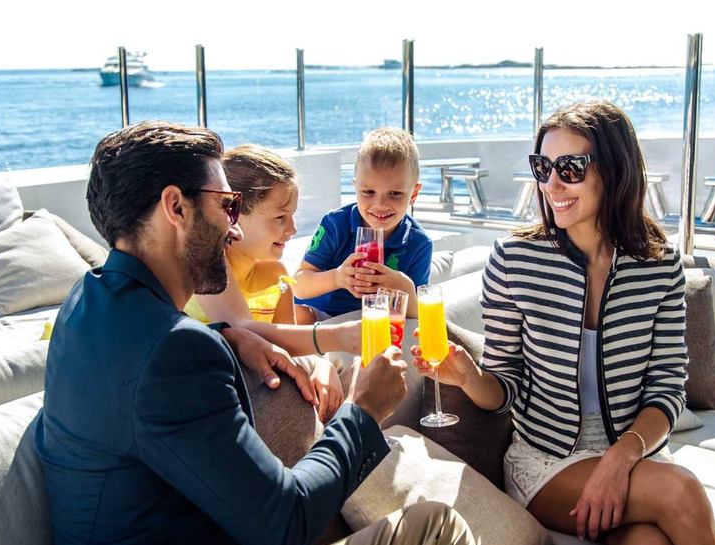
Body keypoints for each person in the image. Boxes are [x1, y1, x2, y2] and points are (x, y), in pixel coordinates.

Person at [35, 120, 474, 545]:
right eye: (227, 205)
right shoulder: (176, 352)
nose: (237, 227)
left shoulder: (84, 303)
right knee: (437, 525)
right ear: (176, 207)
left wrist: (228, 332)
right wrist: (363, 412)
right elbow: (285, 522)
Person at [412, 102, 715, 545]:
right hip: (545, 461)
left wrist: (621, 457)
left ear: (614, 171)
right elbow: (506, 386)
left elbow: (667, 387)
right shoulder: (514, 260)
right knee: (684, 492)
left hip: (633, 453)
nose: (551, 183)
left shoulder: (660, 265)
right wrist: (469, 376)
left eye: (571, 167)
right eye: (542, 166)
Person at [185, 144, 352, 422]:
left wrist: (321, 364)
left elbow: (292, 350)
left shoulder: (276, 278)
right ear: (233, 213)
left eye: (293, 215)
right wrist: (340, 337)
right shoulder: (209, 264)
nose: (293, 229)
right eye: (279, 217)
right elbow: (240, 327)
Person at [293, 127, 432, 319]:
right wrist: (338, 277)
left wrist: (404, 286)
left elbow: (418, 315)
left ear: (413, 194)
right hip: (321, 315)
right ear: (355, 187)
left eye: (395, 193)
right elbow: (299, 285)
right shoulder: (335, 224)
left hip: (375, 320)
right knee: (299, 315)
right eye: (368, 192)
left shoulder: (419, 243)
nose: (380, 204)